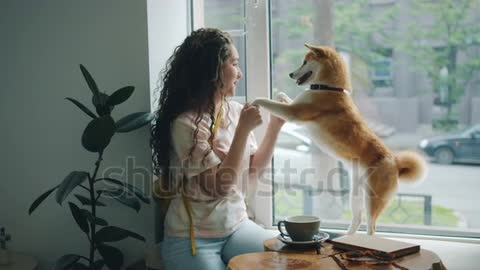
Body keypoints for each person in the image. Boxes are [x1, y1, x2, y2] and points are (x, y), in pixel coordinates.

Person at [150, 28, 285, 269]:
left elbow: (253, 171)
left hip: (237, 227)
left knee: (285, 262)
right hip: (192, 239)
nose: (240, 73)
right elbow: (219, 187)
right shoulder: (185, 125)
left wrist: (276, 126)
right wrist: (243, 131)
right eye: (234, 63)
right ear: (212, 72)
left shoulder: (234, 111)